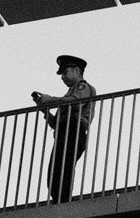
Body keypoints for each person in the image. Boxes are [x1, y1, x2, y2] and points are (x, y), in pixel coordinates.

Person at [33, 55, 97, 201]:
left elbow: (75, 103)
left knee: (64, 166)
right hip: (64, 131)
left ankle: (62, 200)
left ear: (76, 71)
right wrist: (44, 110)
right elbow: (56, 123)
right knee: (54, 169)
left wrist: (50, 100)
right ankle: (58, 198)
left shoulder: (83, 87)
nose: (62, 77)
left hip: (74, 129)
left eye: (64, 72)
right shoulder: (67, 95)